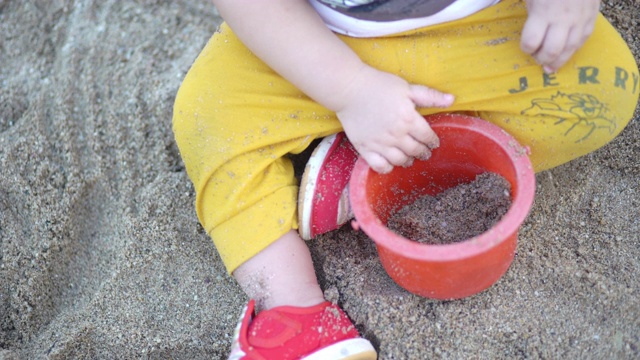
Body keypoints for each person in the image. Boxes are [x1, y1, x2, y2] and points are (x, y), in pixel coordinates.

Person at [172, 0, 639, 358]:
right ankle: (291, 308)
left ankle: (383, 157)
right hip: (317, 45)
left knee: (607, 87)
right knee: (207, 113)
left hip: (490, 32)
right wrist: (349, 89)